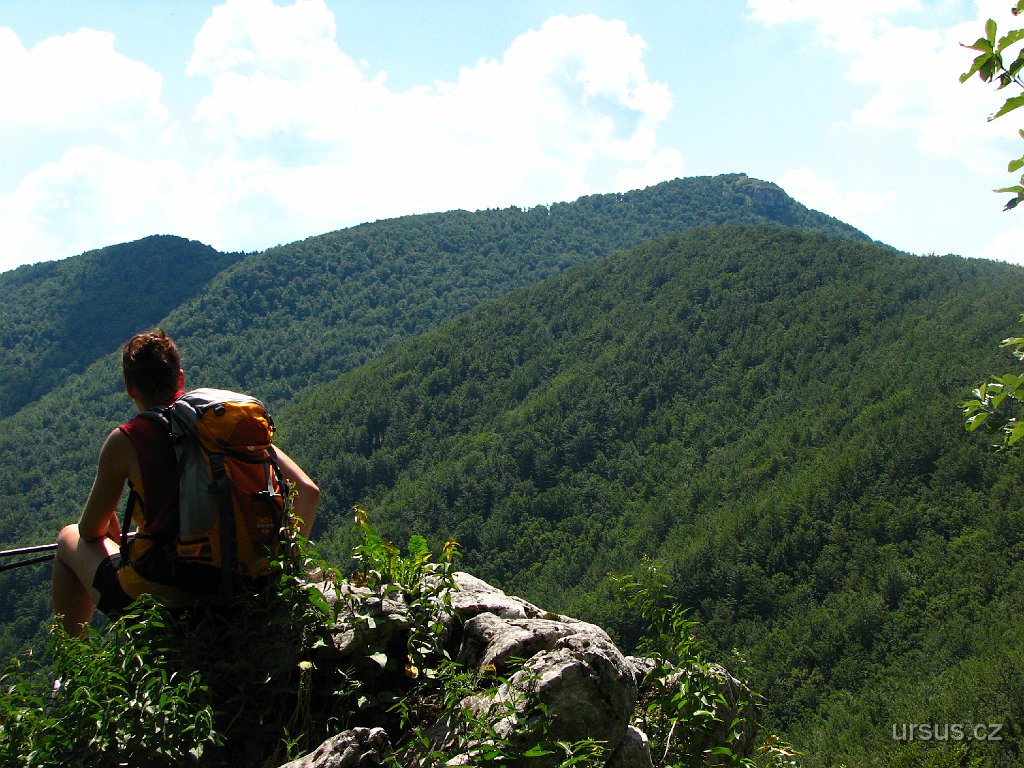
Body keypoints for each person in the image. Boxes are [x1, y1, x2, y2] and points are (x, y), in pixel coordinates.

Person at [51, 329, 320, 637]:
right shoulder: (223, 428)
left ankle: (73, 665)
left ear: (130, 388)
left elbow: (90, 532)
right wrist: (281, 570)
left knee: (68, 537)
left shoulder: (125, 440)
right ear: (180, 378)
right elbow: (308, 492)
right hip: (249, 587)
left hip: (163, 597)